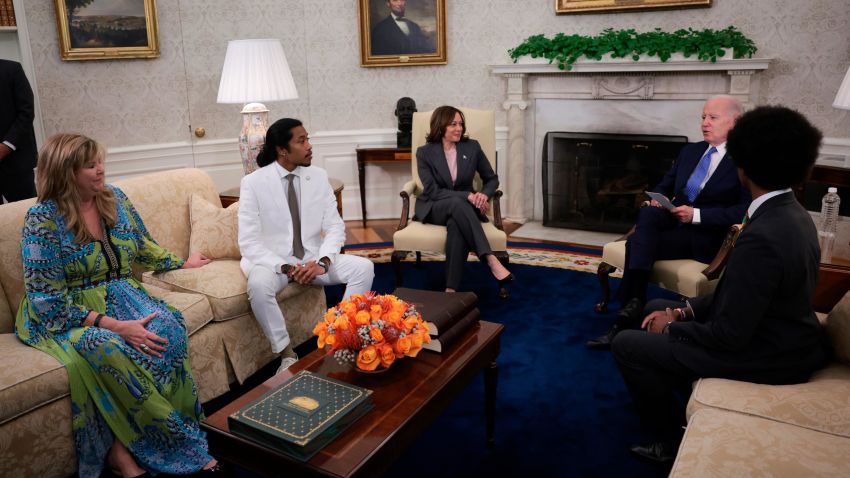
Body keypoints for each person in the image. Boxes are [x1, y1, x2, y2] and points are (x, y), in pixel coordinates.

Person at [611, 105, 829, 464]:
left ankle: (668, 442)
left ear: (743, 164)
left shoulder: (763, 236)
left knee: (628, 344)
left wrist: (676, 328)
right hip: (777, 332)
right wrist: (682, 310)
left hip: (770, 354)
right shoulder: (791, 213)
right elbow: (736, 296)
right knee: (654, 307)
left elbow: (730, 336)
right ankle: (677, 387)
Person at [15, 134, 220, 477]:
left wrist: (181, 262)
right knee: (109, 347)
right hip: (64, 314)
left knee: (168, 327)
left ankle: (127, 446)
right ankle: (178, 449)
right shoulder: (42, 219)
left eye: (100, 162)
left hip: (122, 294)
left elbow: (142, 246)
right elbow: (45, 298)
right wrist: (116, 325)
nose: (100, 171)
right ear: (66, 172)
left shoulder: (115, 199)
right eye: (90, 165)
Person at [587, 95, 751, 349]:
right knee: (649, 215)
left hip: (705, 236)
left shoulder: (746, 161)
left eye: (713, 118)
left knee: (636, 244)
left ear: (736, 122)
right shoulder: (691, 151)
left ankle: (625, 316)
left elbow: (744, 211)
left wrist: (695, 215)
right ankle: (634, 306)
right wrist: (658, 198)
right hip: (672, 223)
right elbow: (666, 183)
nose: (705, 123)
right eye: (703, 117)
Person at [238, 118, 374, 373]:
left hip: (312, 259)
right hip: (273, 263)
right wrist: (287, 268)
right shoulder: (254, 183)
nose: (309, 146)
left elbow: (335, 227)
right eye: (301, 141)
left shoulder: (318, 176)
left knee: (364, 268)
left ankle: (341, 337)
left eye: (308, 138)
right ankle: (287, 354)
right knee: (257, 285)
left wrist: (323, 263)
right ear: (282, 149)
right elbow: (249, 243)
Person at [415, 105, 513, 295]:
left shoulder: (472, 147)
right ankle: (490, 259)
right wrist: (467, 195)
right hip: (435, 206)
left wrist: (484, 194)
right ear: (440, 125)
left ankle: (450, 290)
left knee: (456, 224)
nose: (459, 128)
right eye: (453, 124)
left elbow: (491, 179)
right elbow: (433, 191)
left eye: (461, 124)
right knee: (458, 202)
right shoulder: (424, 152)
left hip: (463, 210)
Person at [0, 59, 38, 202]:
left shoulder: (12, 69)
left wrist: (6, 146)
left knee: (27, 215)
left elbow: (26, 112)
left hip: (16, 162)